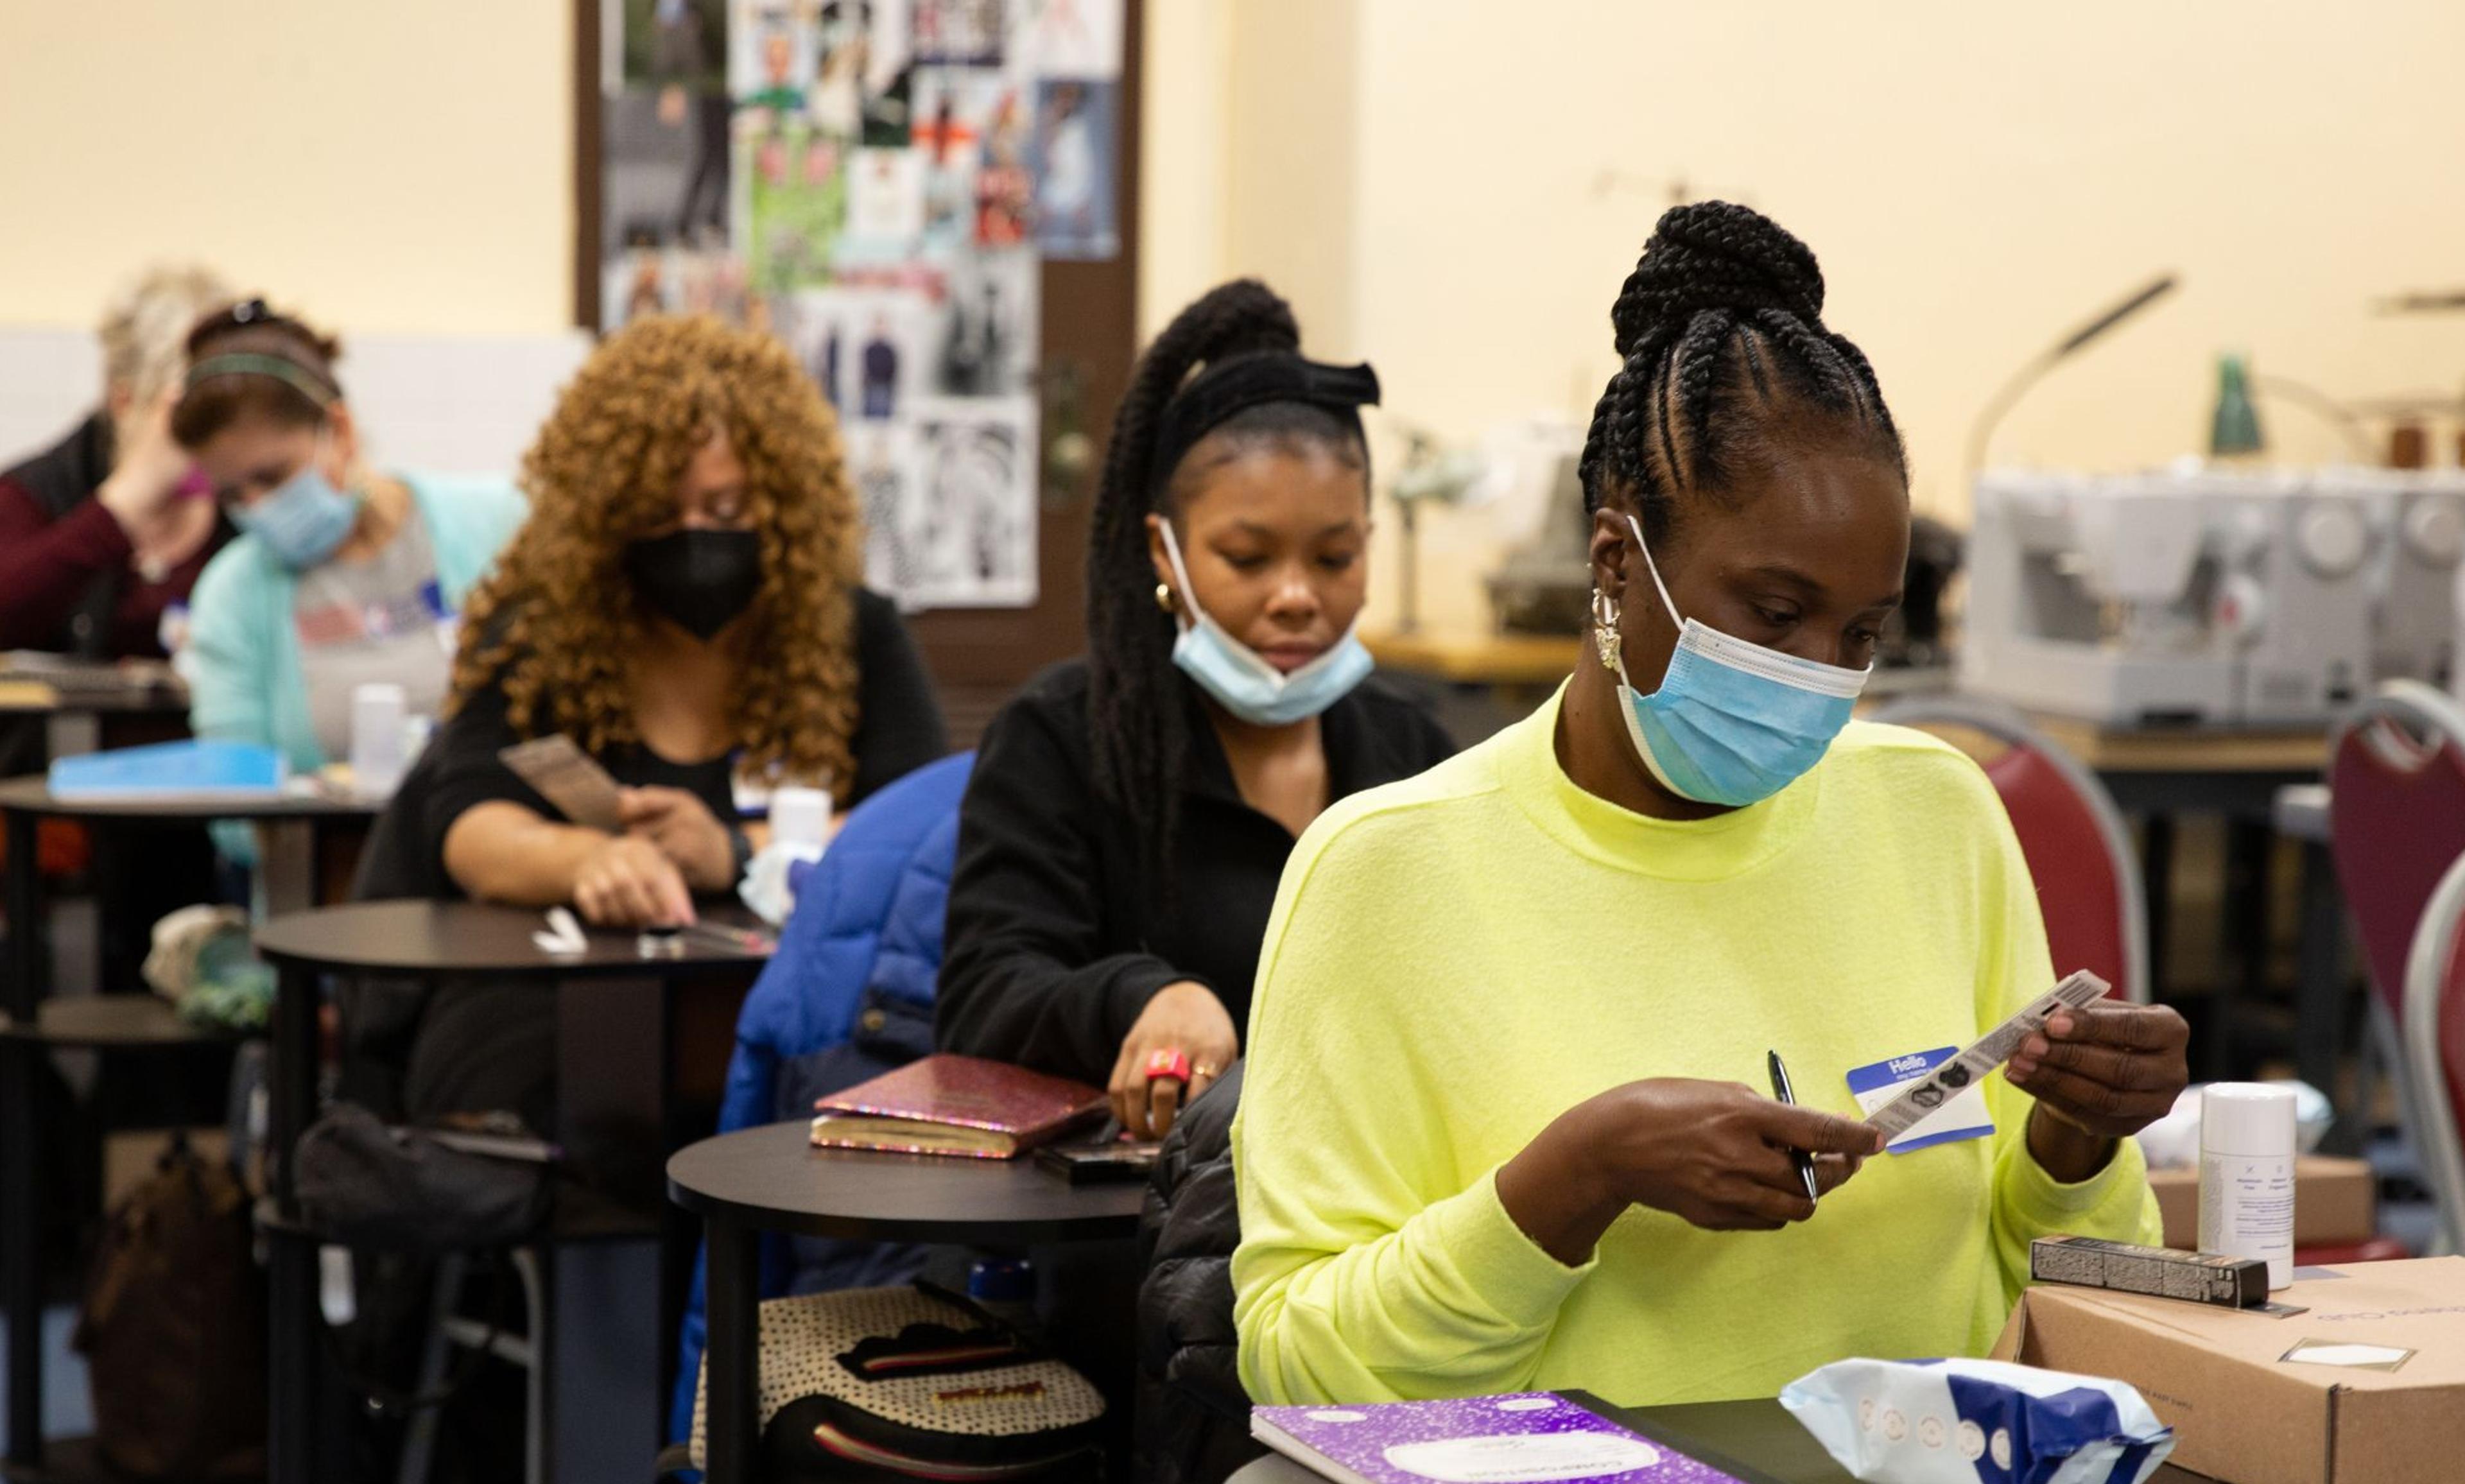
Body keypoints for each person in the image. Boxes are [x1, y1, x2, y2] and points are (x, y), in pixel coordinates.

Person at [1230, 203, 2186, 1408]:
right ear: (1617, 566)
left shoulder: (1936, 814)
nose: (1819, 675)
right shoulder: (1388, 872)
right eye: (1774, 614)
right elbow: (1299, 1364)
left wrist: (2076, 1139)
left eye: (1861, 633)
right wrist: (1578, 1178)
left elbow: (2067, 1281)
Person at [381, 313, 944, 1125]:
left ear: (783, 504)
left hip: (792, 1006)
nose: (695, 541)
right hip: (563, 1009)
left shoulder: (856, 633)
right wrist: (587, 862)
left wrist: (732, 851)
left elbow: (916, 827)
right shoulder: (540, 637)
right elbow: (467, 824)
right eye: (660, 515)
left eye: (726, 509)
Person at [935, 279, 1457, 1142]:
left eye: (1335, 557)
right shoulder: (1064, 736)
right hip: (1130, 1235)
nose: (1296, 597)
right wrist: (1149, 996)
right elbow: (985, 993)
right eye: (1247, 559)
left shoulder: (1416, 755)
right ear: (1164, 551)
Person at [175, 299, 524, 811]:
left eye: (272, 477)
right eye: (231, 494)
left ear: (339, 431)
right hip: (325, 873)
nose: (258, 508)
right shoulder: (233, 594)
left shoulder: (496, 524)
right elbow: (234, 813)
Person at [0, 264, 234, 658]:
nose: (209, 441)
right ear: (124, 401)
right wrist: (119, 507)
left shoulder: (250, 502)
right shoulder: (33, 494)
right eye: (191, 415)